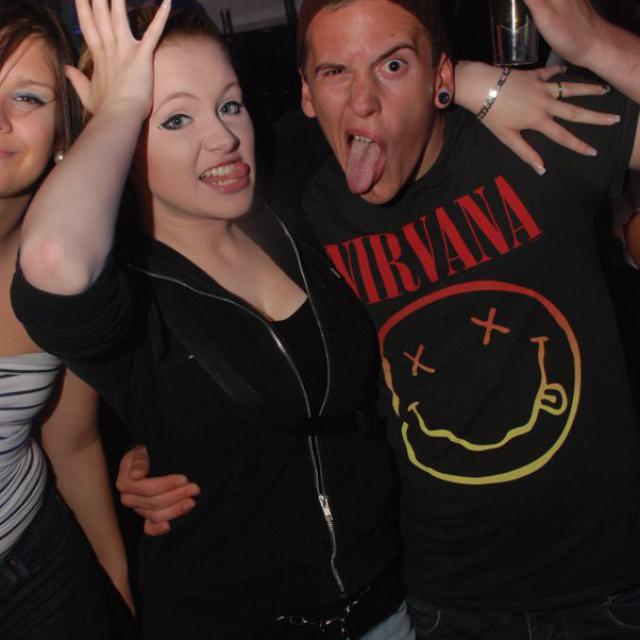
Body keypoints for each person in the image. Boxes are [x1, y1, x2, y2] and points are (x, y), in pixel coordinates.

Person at [121, 0, 640, 638]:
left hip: (613, 582)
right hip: (443, 597)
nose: (363, 101)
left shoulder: (534, 130)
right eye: (336, 72)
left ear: (441, 75)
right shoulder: (297, 212)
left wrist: (591, 41)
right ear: (306, 94)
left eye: (393, 65)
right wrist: (166, 449)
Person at [11, 1, 413, 638]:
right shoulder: (125, 290)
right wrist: (117, 109)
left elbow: (372, 104)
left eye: (230, 105)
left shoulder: (287, 201)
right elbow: (53, 258)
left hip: (387, 609)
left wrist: (479, 84)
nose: (224, 136)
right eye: (174, 118)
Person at [0, 1, 134, 638]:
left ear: (60, 138)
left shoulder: (70, 262)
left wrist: (116, 575)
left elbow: (72, 440)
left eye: (26, 97)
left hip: (38, 569)